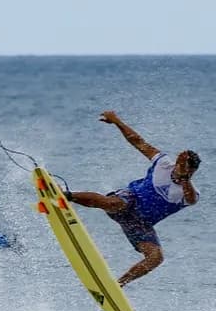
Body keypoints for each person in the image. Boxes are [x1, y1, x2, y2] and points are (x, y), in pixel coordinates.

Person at [66, 110, 201, 287]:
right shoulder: (163, 163)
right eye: (181, 165)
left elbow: (190, 200)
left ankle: (118, 285)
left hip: (140, 223)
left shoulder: (190, 191)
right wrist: (117, 121)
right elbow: (138, 142)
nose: (182, 170)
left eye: (188, 170)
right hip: (130, 199)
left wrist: (184, 179)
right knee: (112, 203)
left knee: (156, 257)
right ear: (176, 162)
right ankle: (65, 195)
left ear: (192, 172)